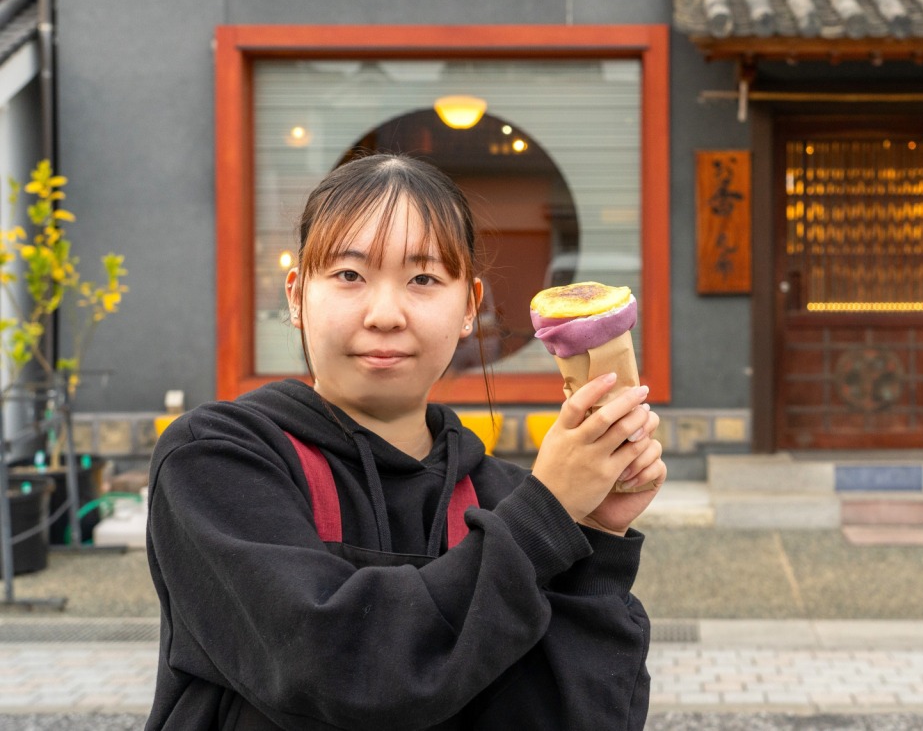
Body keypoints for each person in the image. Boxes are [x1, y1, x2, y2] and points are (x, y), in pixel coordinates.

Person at [145, 153, 666, 730]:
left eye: (423, 279)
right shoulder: (218, 459)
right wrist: (545, 517)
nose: (385, 313)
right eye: (349, 275)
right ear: (296, 296)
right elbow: (334, 666)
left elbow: (578, 711)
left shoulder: (504, 496)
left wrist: (597, 530)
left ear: (469, 306)